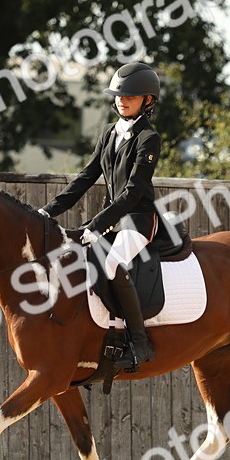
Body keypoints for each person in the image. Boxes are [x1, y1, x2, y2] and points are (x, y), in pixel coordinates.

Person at [39, 62, 169, 369]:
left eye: (131, 96)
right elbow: (85, 178)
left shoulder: (149, 139)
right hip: (112, 218)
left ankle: (140, 343)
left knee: (113, 263)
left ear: (147, 101)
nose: (122, 100)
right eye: (118, 96)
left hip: (138, 219)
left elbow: (133, 193)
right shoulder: (109, 133)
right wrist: (48, 211)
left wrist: (97, 225)